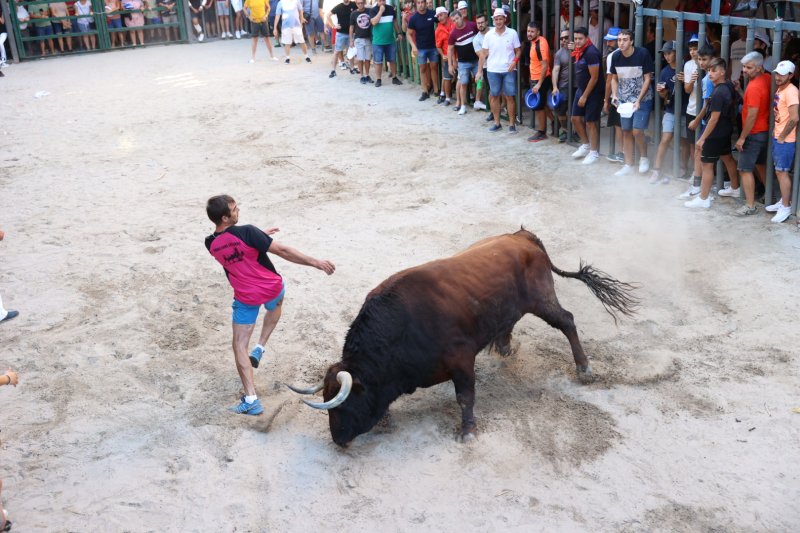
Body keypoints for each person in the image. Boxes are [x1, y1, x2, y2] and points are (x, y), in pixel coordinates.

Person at [205, 195, 335, 416]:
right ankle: (261, 346)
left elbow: (233, 248)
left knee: (239, 346)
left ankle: (251, 400)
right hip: (271, 288)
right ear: (225, 217)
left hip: (246, 297)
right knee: (275, 306)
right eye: (235, 209)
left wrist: (258, 237)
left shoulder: (210, 244)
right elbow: (282, 251)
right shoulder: (247, 232)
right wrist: (315, 262)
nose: (239, 211)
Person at [684, 58, 737, 209]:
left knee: (707, 165)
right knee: (727, 158)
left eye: (714, 71)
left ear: (722, 72)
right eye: (708, 71)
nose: (710, 74)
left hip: (715, 133)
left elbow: (713, 119)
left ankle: (703, 198)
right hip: (725, 130)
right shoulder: (728, 86)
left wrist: (702, 138)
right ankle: (734, 187)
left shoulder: (719, 91)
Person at [610, 28, 654, 176]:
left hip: (643, 99)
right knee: (626, 131)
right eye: (619, 40)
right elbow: (614, 78)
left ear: (632, 41)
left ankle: (644, 157)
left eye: (624, 40)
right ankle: (628, 164)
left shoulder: (642, 54)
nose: (621, 43)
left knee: (637, 130)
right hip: (624, 101)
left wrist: (638, 100)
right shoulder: (615, 56)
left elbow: (648, 78)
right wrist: (615, 95)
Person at [734, 51, 771, 215]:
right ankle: (770, 198)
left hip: (754, 133)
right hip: (764, 131)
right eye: (743, 66)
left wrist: (742, 137)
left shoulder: (755, 86)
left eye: (749, 67)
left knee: (744, 169)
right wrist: (742, 92)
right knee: (761, 165)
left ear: (759, 67)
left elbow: (752, 114)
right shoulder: (768, 79)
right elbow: (755, 105)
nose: (744, 70)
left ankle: (750, 205)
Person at [476, 8, 520, 134]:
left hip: (509, 70)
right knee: (494, 96)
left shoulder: (512, 33)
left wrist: (514, 61)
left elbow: (518, 51)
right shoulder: (489, 35)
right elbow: (483, 54)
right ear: (493, 20)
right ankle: (497, 123)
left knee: (510, 97)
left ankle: (512, 125)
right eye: (496, 19)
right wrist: (479, 72)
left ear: (505, 19)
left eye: (501, 19)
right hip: (493, 70)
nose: (499, 21)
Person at [768, 60, 798, 224]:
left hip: (785, 139)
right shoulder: (782, 88)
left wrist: (782, 136)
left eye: (782, 74)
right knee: (779, 172)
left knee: (782, 172)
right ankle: (783, 202)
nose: (778, 77)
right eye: (777, 73)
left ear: (791, 75)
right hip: (780, 136)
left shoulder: (791, 91)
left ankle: (785, 206)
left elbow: (794, 118)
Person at [569, 26, 603, 164]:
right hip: (581, 89)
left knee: (590, 122)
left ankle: (594, 153)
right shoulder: (580, 50)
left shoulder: (591, 53)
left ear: (587, 38)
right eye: (575, 38)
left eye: (580, 39)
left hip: (593, 92)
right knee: (575, 118)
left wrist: (584, 96)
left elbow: (594, 78)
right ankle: (585, 145)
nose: (577, 41)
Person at [648, 41, 679, 184]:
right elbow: (664, 96)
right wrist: (663, 93)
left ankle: (683, 169)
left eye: (669, 53)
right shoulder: (665, 71)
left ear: (677, 52)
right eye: (665, 54)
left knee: (685, 142)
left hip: (686, 110)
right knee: (665, 139)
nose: (666, 56)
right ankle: (657, 169)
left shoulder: (686, 67)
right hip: (671, 110)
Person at [447, 9, 478, 115]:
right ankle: (463, 106)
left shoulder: (472, 25)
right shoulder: (453, 34)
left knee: (480, 80)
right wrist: (450, 65)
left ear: (461, 17)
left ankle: (477, 101)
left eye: (457, 18)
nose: (456, 21)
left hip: (476, 59)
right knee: (463, 84)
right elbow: (450, 49)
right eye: (453, 20)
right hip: (463, 62)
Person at [407, 0, 438, 101]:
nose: (421, 5)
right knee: (423, 69)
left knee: (434, 68)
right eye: (418, 3)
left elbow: (442, 21)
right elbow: (408, 34)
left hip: (433, 46)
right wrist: (413, 46)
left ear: (425, 3)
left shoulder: (432, 14)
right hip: (421, 48)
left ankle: (437, 91)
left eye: (422, 2)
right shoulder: (414, 18)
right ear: (416, 4)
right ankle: (425, 91)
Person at [525, 21, 551, 143]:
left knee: (538, 106)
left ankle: (541, 132)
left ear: (538, 32)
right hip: (536, 77)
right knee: (542, 104)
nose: (529, 34)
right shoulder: (535, 42)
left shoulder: (539, 44)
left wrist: (539, 83)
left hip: (540, 78)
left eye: (532, 31)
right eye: (528, 31)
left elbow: (544, 65)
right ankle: (554, 122)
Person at [368, 0, 404, 88]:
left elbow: (394, 21)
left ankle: (394, 77)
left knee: (392, 60)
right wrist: (380, 11)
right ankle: (378, 79)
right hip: (377, 42)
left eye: (383, 0)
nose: (382, 2)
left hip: (390, 40)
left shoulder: (391, 9)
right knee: (378, 61)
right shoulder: (373, 10)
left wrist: (399, 32)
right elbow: (373, 22)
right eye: (380, 1)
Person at [603, 27, 624, 160]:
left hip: (618, 96)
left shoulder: (612, 56)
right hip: (630, 95)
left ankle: (622, 153)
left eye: (611, 41)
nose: (608, 43)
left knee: (618, 125)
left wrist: (606, 100)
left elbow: (610, 80)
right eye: (607, 40)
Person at [327, 0, 356, 78]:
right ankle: (333, 70)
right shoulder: (339, 7)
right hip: (341, 33)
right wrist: (333, 26)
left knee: (351, 51)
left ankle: (352, 68)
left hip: (351, 33)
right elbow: (328, 15)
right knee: (336, 51)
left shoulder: (354, 4)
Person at [349, 0, 372, 84]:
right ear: (356, 4)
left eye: (362, 3)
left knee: (368, 58)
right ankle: (361, 76)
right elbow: (351, 27)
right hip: (358, 38)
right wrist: (351, 40)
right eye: (358, 3)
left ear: (364, 3)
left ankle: (367, 75)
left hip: (368, 38)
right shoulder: (353, 14)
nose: (360, 5)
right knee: (360, 58)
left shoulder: (369, 11)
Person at [434, 7, 454, 106]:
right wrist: (443, 55)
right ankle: (447, 97)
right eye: (438, 16)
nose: (440, 18)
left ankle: (470, 97)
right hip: (448, 56)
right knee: (446, 77)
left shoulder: (453, 22)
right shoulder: (438, 30)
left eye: (441, 15)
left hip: (459, 55)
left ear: (446, 14)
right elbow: (438, 46)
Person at [470, 12, 488, 111]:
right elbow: (482, 55)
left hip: (498, 63)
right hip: (485, 65)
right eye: (478, 23)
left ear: (486, 22)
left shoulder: (494, 31)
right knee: (479, 79)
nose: (480, 25)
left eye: (482, 22)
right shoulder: (476, 39)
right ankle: (477, 100)